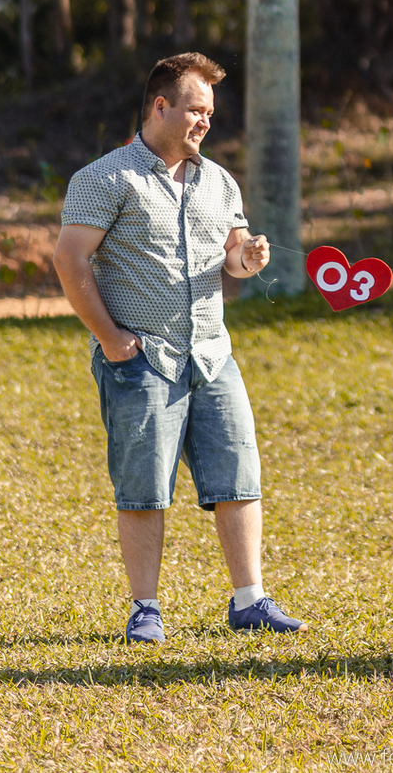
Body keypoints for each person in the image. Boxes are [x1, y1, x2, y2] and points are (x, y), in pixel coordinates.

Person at [53, 51, 307, 645]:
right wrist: (112, 340)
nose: (205, 123)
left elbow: (234, 256)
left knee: (239, 476)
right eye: (195, 109)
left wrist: (248, 259)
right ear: (160, 105)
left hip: (213, 355)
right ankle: (146, 609)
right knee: (143, 486)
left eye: (211, 114)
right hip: (141, 359)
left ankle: (250, 600)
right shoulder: (105, 177)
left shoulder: (220, 181)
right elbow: (69, 260)